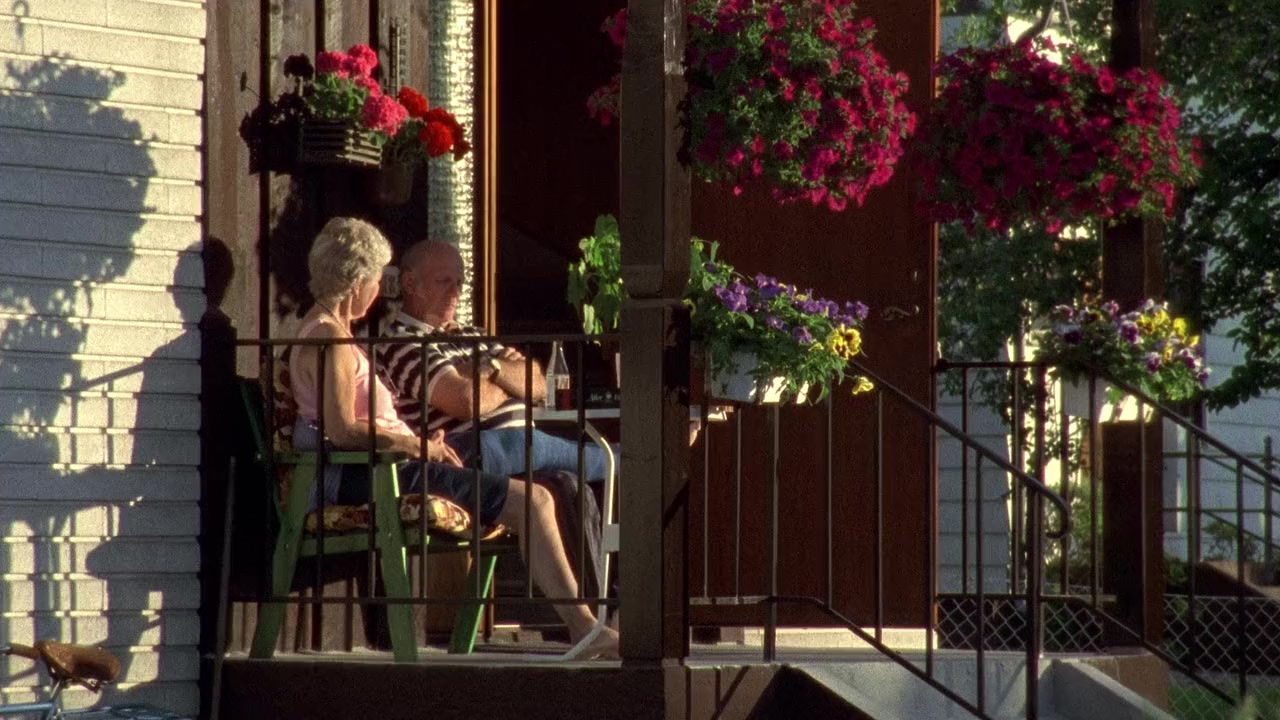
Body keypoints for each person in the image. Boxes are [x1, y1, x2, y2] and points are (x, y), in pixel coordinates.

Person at [290, 217, 617, 657]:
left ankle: (587, 627)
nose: (379, 290)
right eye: (377, 279)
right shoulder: (330, 340)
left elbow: (538, 383)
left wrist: (489, 375)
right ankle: (586, 626)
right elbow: (343, 429)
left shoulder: (333, 332)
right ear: (356, 281)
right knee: (534, 499)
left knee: (547, 492)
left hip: (390, 468)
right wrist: (417, 445)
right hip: (371, 474)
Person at [377, 240, 614, 482]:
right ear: (410, 283)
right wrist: (508, 380)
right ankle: (622, 459)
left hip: (517, 451)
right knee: (601, 458)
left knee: (569, 485)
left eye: (459, 283)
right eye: (443, 281)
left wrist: (491, 369)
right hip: (466, 452)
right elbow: (467, 401)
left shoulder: (472, 334)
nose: (455, 292)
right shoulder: (400, 341)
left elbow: (539, 384)